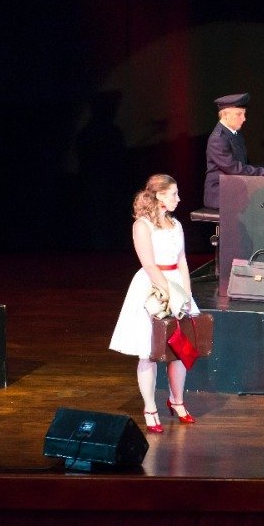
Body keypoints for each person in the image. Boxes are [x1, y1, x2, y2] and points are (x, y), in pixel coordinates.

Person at [108, 174, 199, 432]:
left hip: (176, 286)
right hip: (153, 287)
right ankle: (150, 407)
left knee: (179, 348)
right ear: (159, 196)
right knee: (149, 351)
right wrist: (168, 293)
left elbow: (182, 261)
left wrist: (185, 293)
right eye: (174, 194)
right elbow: (148, 264)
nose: (178, 199)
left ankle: (177, 401)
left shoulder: (176, 224)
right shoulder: (143, 225)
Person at [202, 92, 264, 210]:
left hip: (235, 188)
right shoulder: (218, 139)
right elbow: (234, 169)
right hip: (221, 194)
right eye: (239, 114)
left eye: (244, 114)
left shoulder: (235, 134)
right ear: (225, 115)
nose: (244, 118)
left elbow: (244, 165)